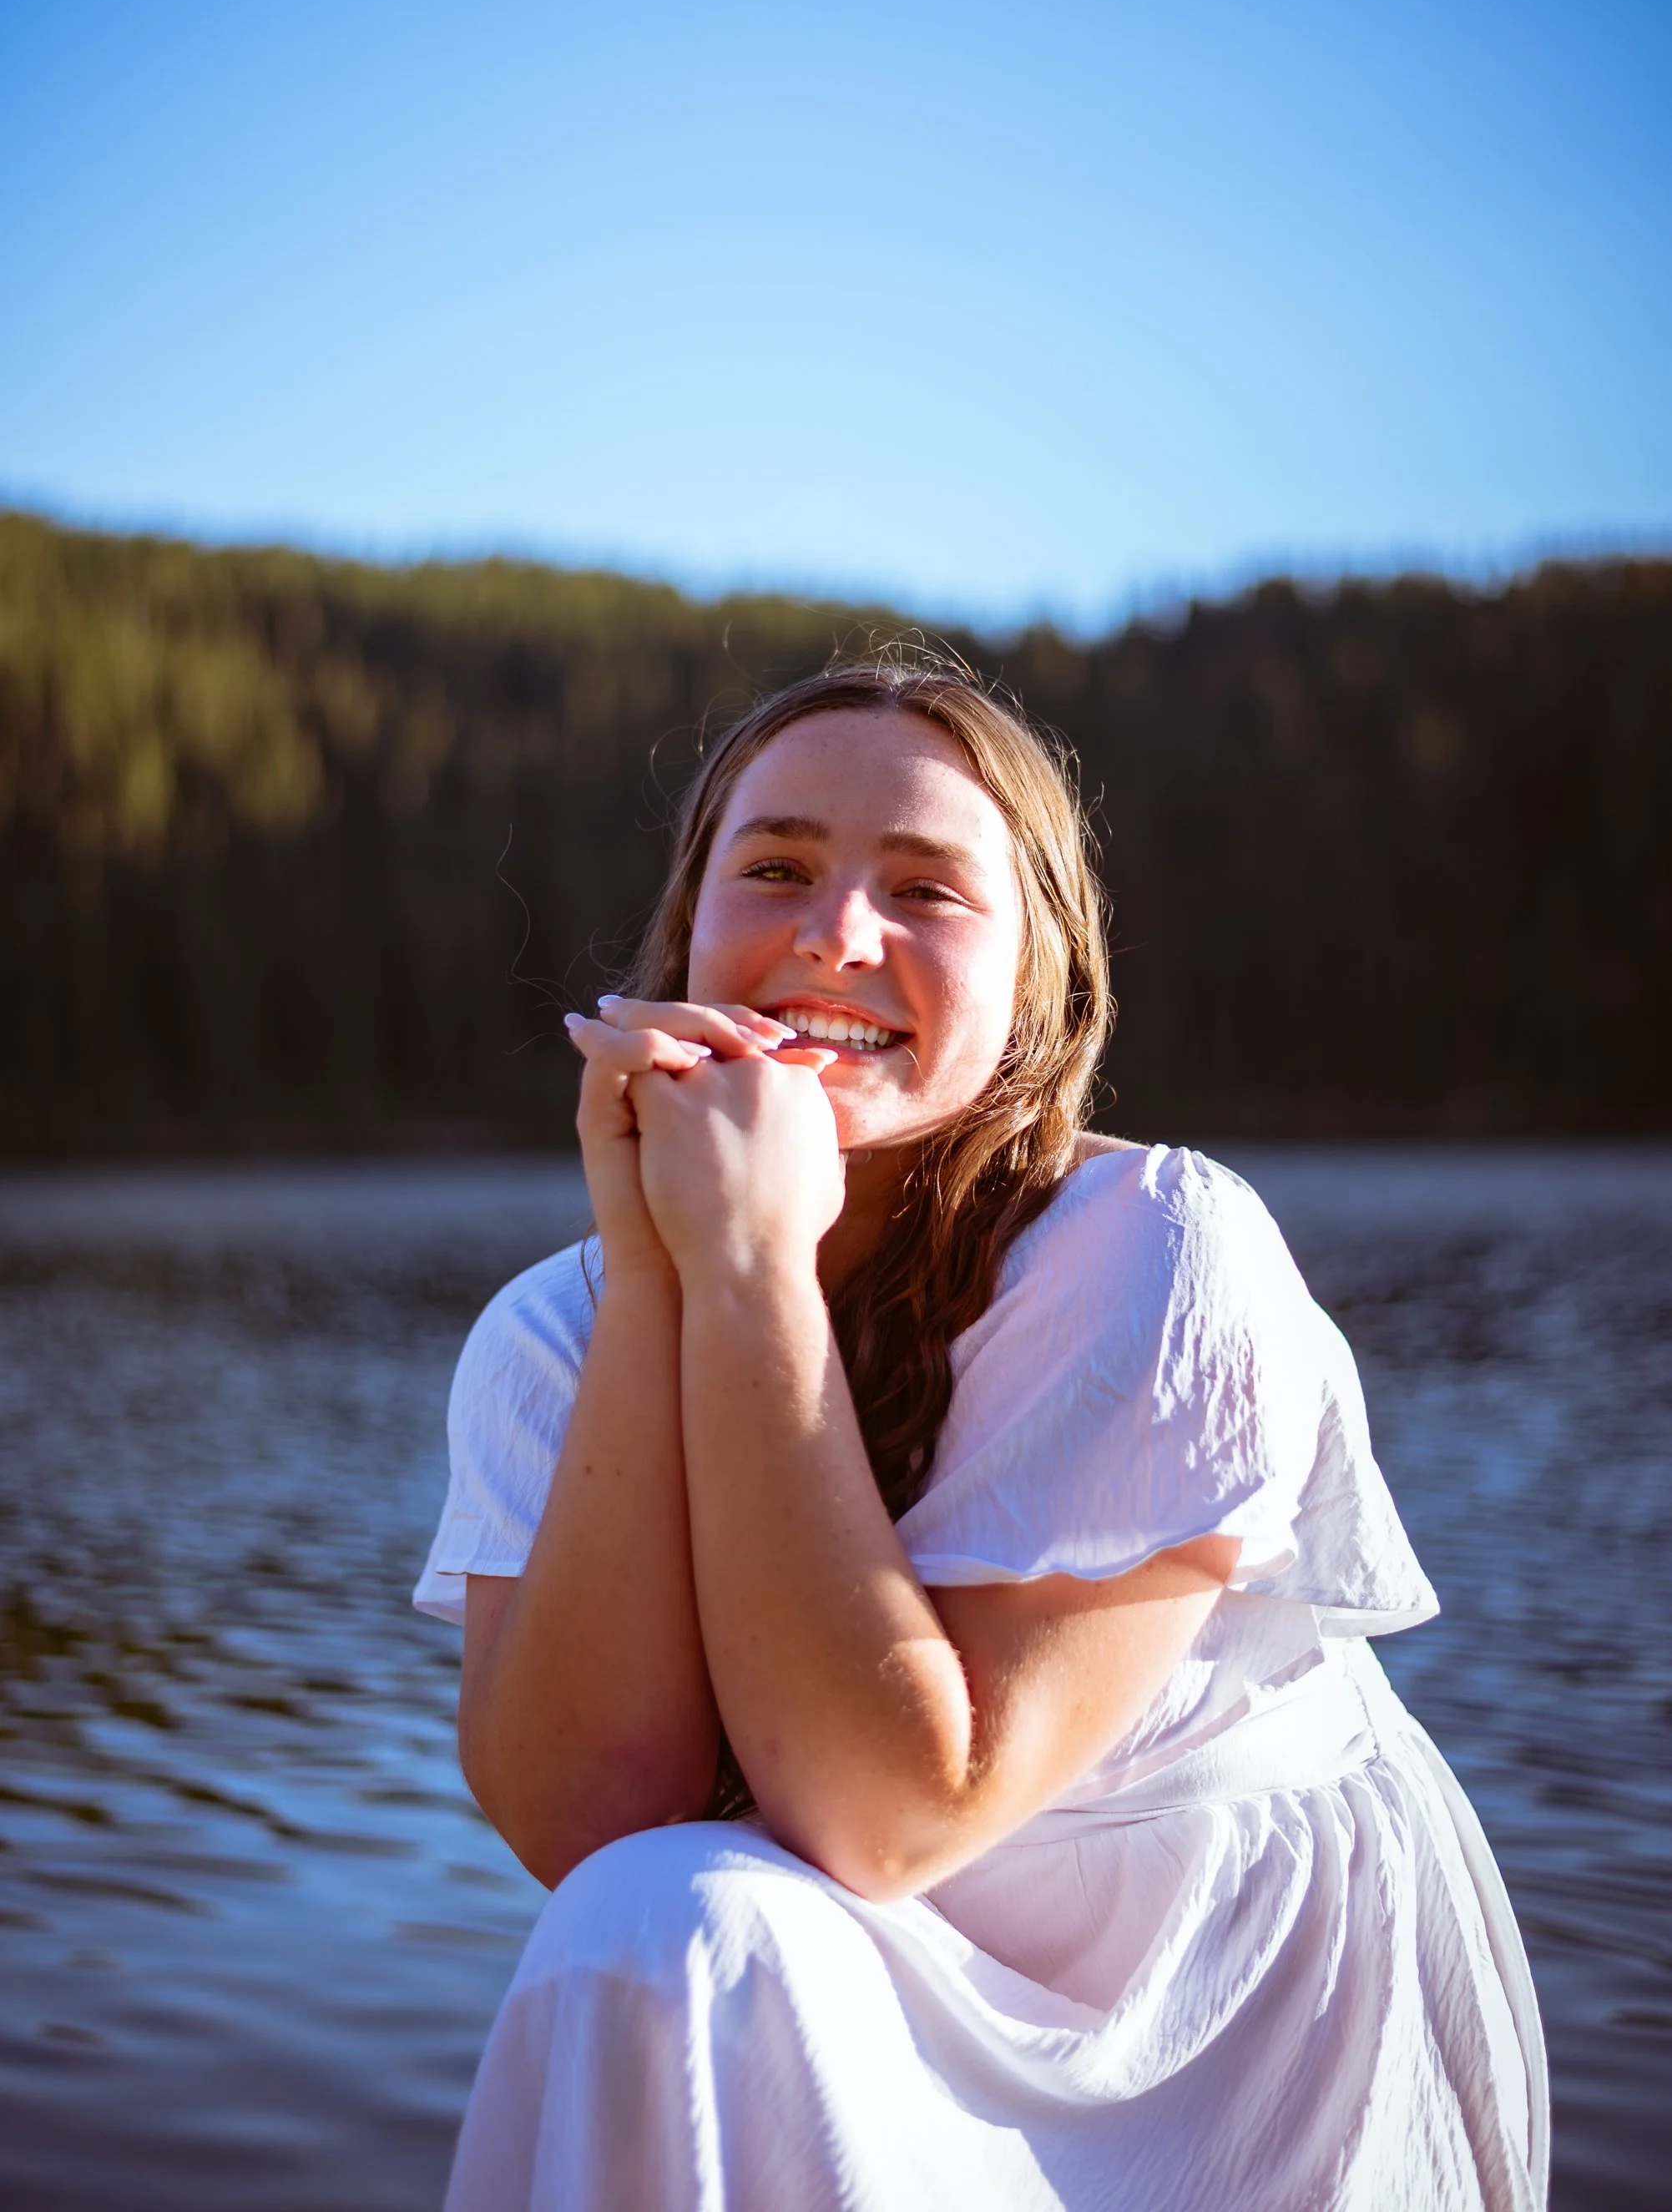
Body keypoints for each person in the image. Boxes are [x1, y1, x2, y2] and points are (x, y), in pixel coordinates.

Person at [414, 656, 1547, 2212]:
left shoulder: (1152, 1249)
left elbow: (888, 1811)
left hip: (1200, 2050)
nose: (833, 933)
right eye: (777, 868)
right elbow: (584, 1826)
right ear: (688, 933)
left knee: (694, 1918)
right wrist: (660, 1282)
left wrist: (749, 1269)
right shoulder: (551, 1332)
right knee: (652, 1915)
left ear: (1038, 985)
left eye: (927, 889)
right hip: (833, 1986)